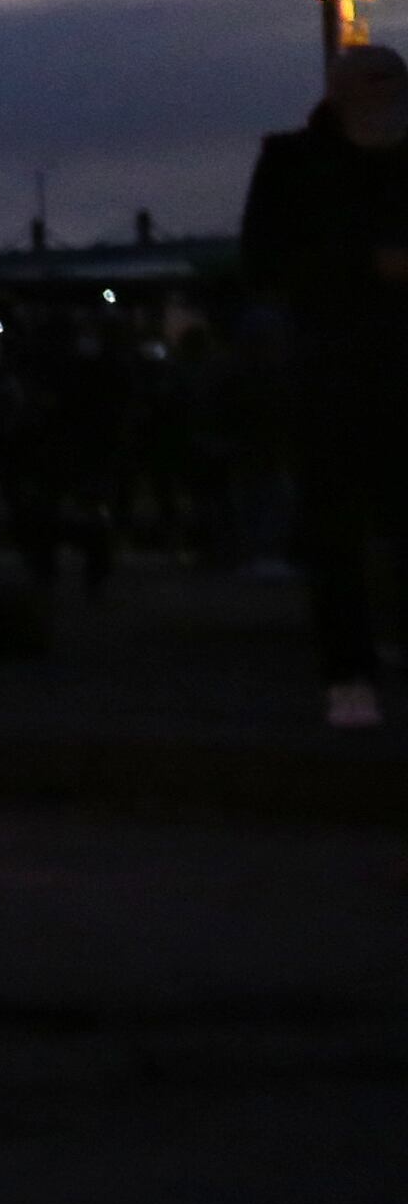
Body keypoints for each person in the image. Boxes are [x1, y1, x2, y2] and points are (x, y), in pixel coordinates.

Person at [236, 40, 408, 725]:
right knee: (336, 527)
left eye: (392, 81)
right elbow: (264, 260)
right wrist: (368, 268)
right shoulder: (293, 163)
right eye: (372, 82)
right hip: (336, 370)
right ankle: (348, 671)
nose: (385, 93)